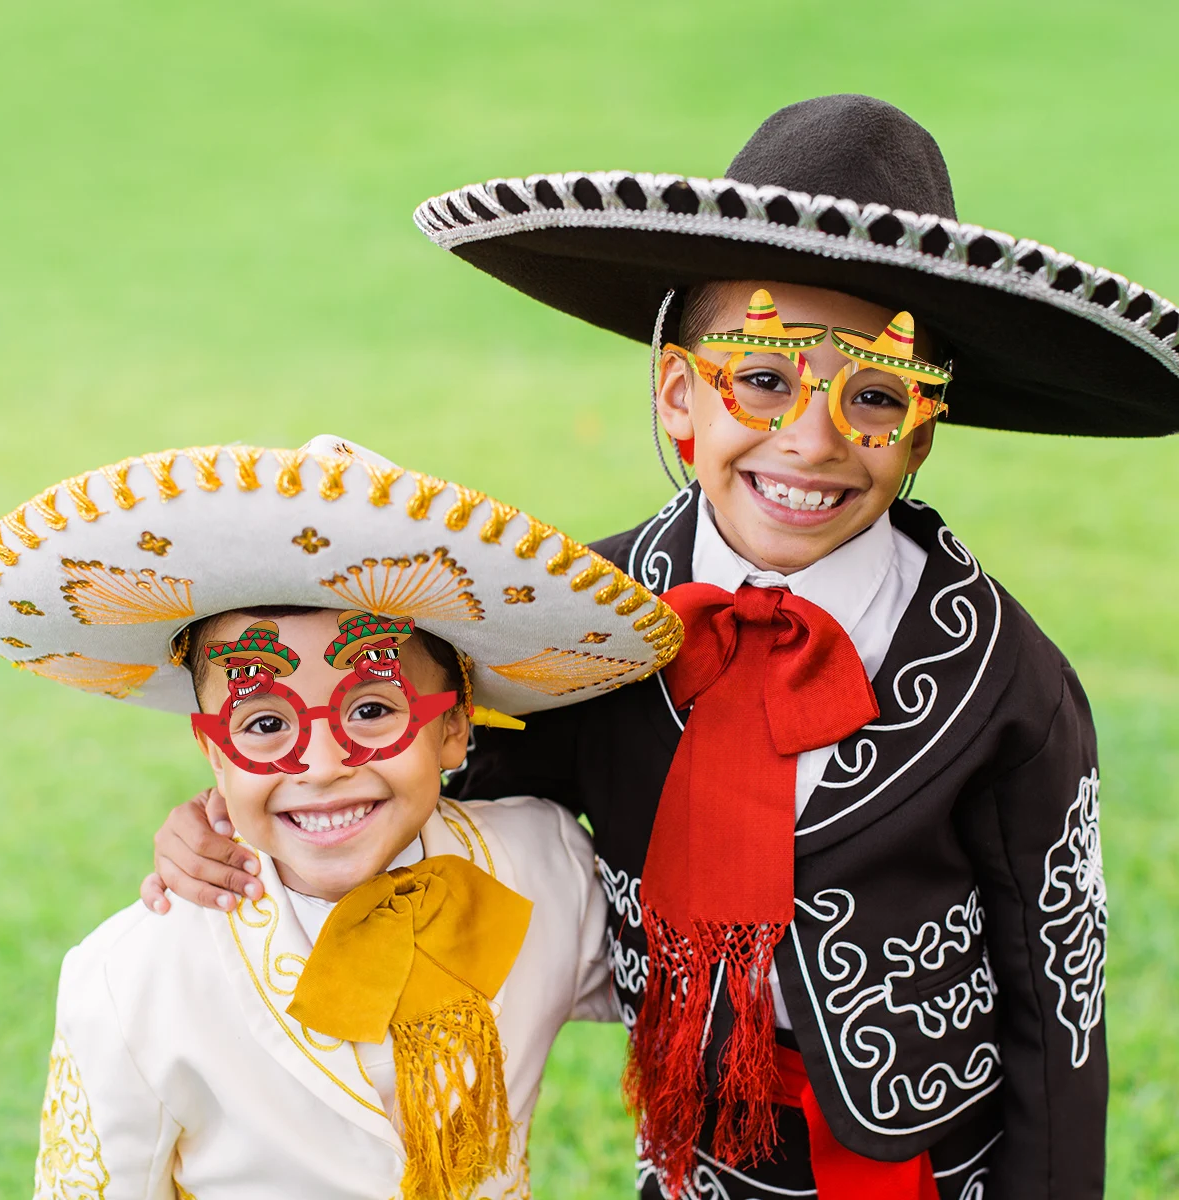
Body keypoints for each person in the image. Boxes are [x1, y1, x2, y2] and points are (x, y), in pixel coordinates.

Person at [141, 95, 1179, 1199]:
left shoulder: (1001, 679)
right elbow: (415, 785)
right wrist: (231, 827)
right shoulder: (576, 621)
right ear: (680, 393)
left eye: (875, 396)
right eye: (763, 377)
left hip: (924, 1165)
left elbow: (1054, 991)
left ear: (922, 429)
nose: (811, 440)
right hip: (695, 1160)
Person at [0, 436, 683, 1200]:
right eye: (264, 725)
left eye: (373, 709)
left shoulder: (545, 864)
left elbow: (686, 990)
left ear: (454, 728)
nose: (319, 765)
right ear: (213, 753)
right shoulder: (133, 977)